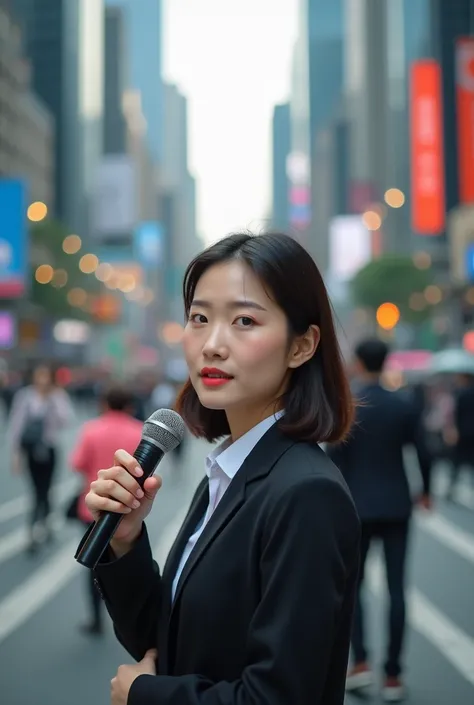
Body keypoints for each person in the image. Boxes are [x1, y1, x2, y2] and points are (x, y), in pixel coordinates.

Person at [79, 232, 360, 705]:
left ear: (302, 346)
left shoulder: (306, 494)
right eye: (199, 318)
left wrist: (144, 696)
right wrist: (125, 540)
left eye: (244, 320)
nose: (212, 344)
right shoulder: (231, 470)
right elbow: (169, 638)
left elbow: (280, 697)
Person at [327, 339, 432, 702]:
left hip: (355, 506)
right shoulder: (403, 404)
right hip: (397, 505)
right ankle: (393, 675)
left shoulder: (350, 406)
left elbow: (333, 460)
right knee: (397, 590)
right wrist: (427, 490)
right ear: (387, 362)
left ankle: (360, 664)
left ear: (358, 361)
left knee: (352, 588)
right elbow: (424, 450)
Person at [70, 384, 144, 635]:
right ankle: (123, 617)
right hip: (128, 510)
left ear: (104, 404)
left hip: (92, 508)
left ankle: (95, 619)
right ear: (130, 406)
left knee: (94, 565)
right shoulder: (139, 431)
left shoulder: (91, 429)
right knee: (124, 564)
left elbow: (78, 464)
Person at [8, 362, 73, 552]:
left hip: (49, 448)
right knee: (36, 490)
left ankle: (45, 522)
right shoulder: (25, 396)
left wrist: (53, 400)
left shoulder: (57, 396)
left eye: (46, 376)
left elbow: (65, 420)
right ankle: (34, 529)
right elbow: (16, 426)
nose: (43, 380)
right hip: (30, 450)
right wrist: (16, 455)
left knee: (47, 488)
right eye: (39, 375)